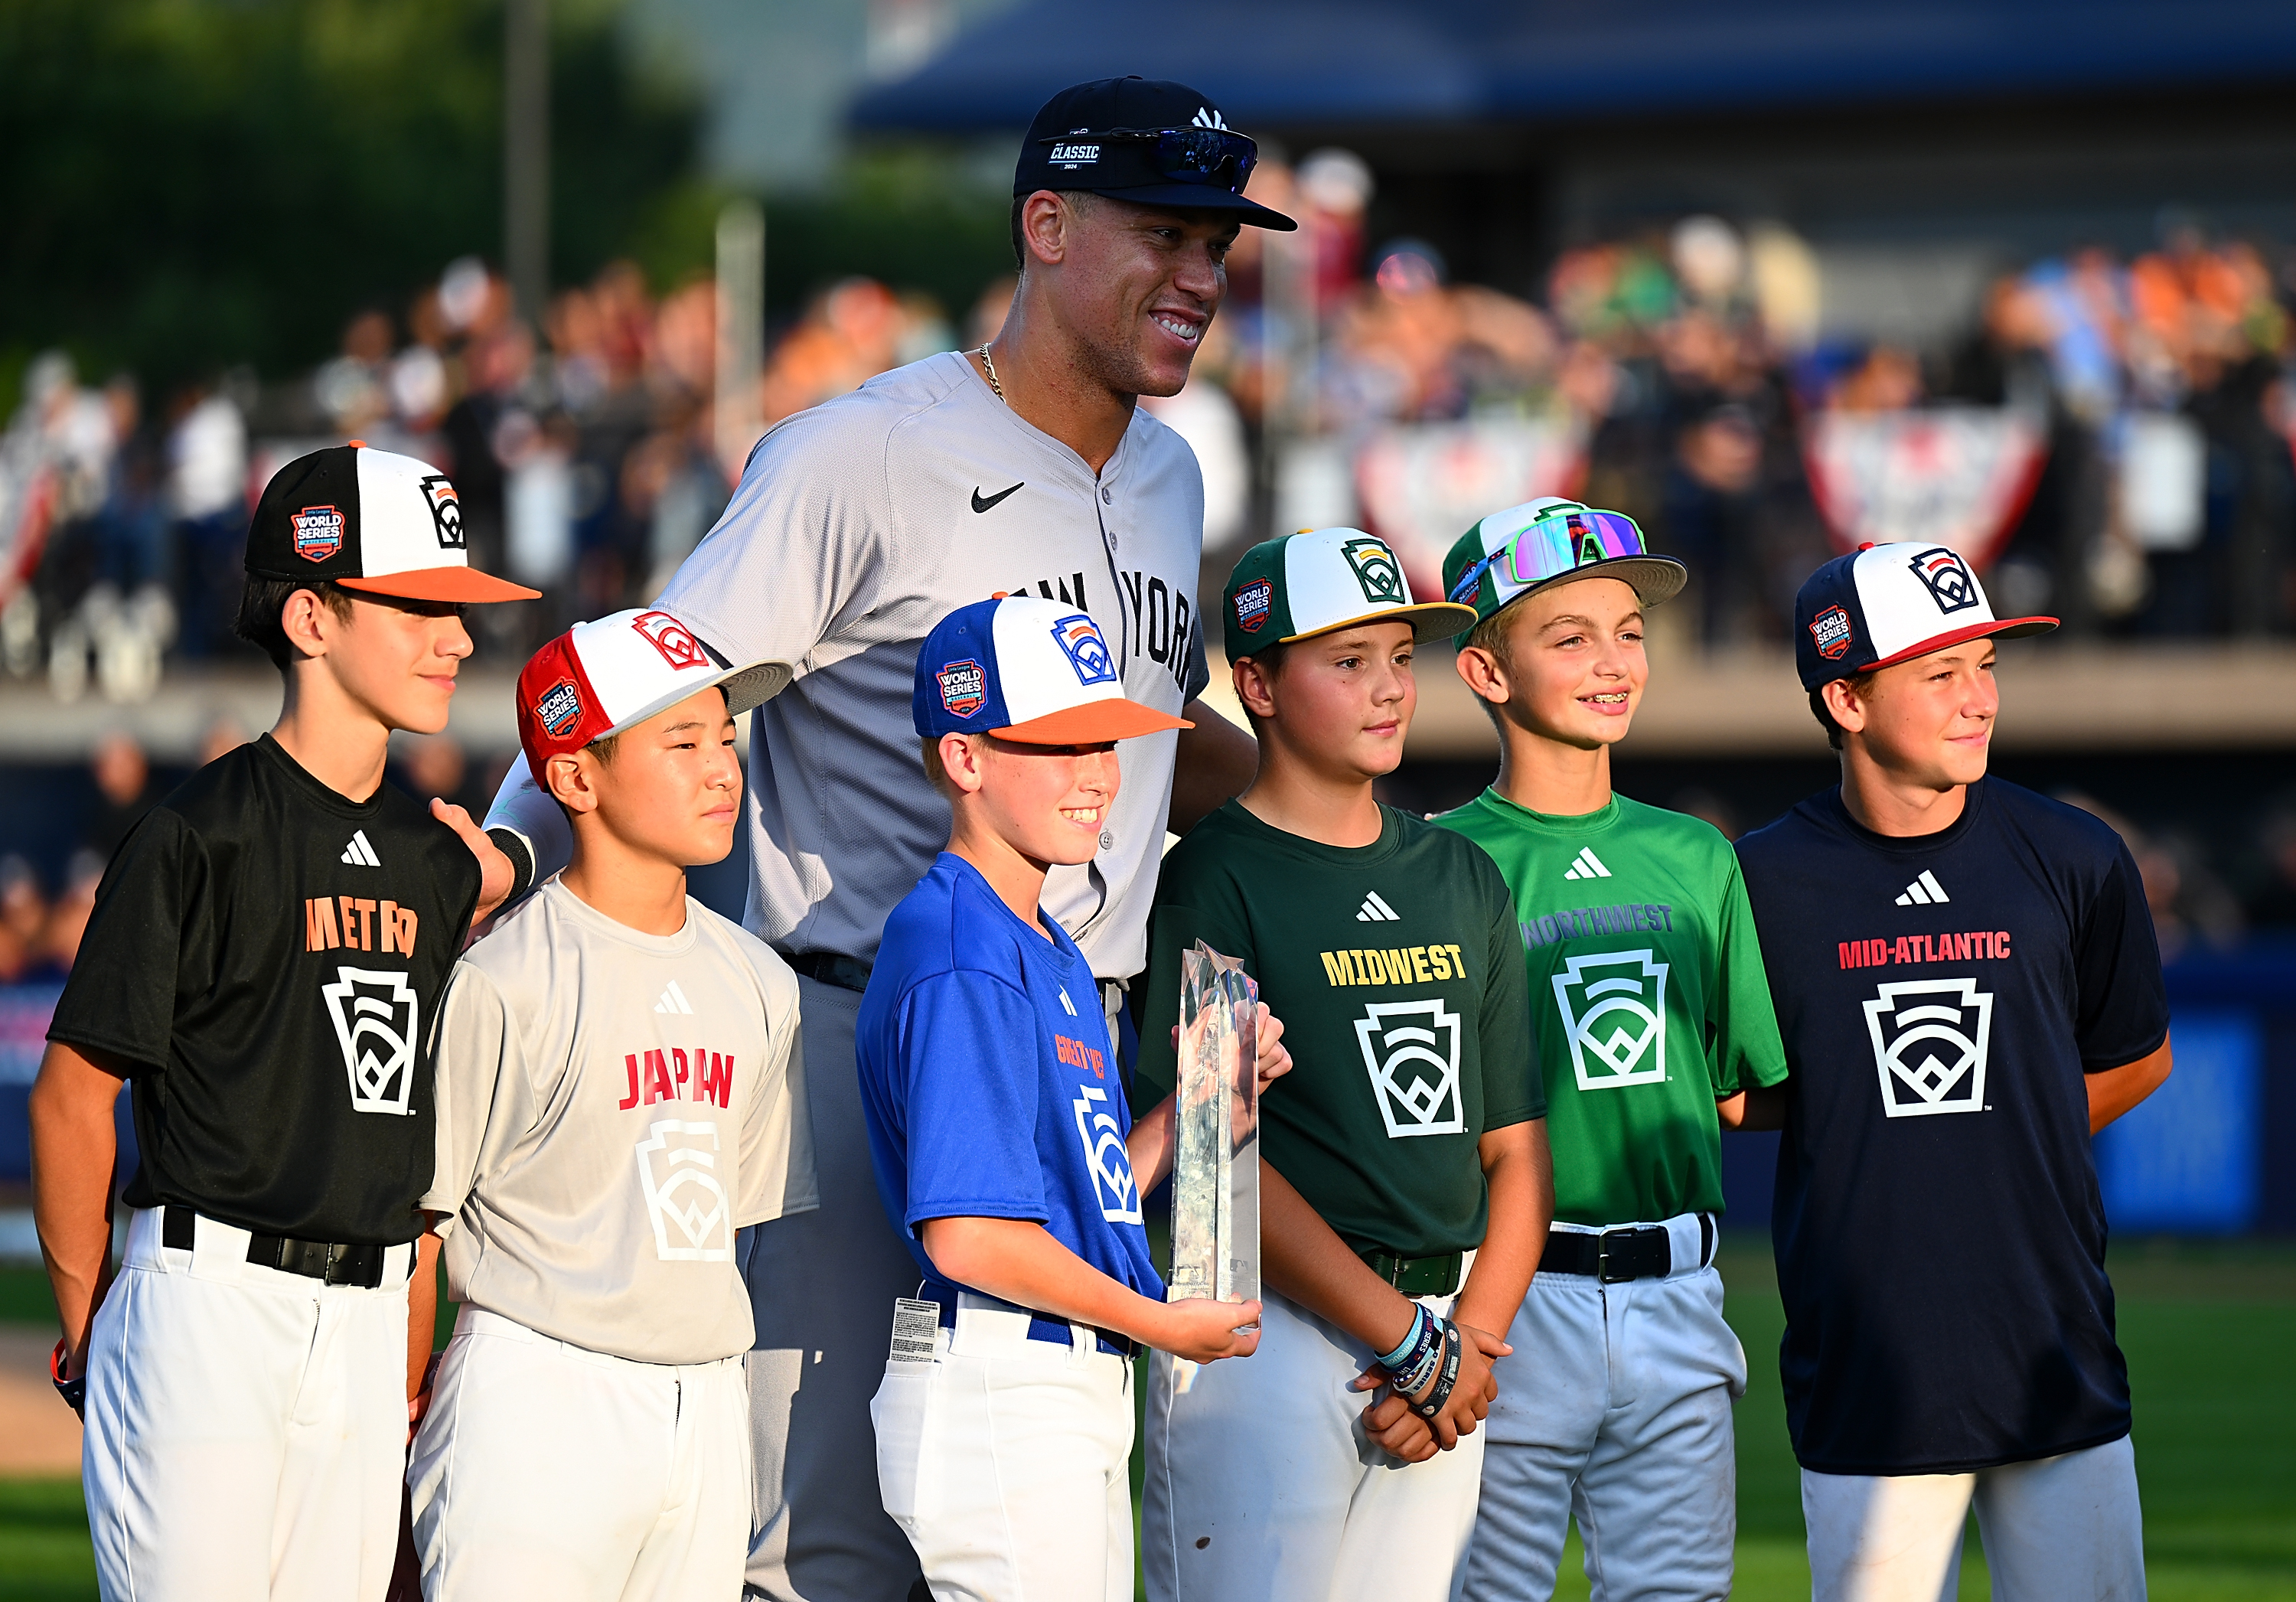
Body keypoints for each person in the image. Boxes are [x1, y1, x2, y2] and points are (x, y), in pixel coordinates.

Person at [481, 74, 1294, 1601]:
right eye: (1167, 234)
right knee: (825, 1542)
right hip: (857, 1034)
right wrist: (508, 874)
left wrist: (1345, 832)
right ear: (1046, 226)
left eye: (1218, 245)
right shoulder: (861, 453)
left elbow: (1139, 748)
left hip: (1076, 1039)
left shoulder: (1176, 472)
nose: (1201, 276)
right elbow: (651, 682)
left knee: (1035, 1522)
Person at [28, 443, 534, 1601]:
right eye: (420, 606)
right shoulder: (198, 831)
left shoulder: (433, 858)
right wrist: (87, 1329)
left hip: (364, 1320)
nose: (457, 637)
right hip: (208, 1299)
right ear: (310, 614)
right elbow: (72, 1094)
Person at [1733, 541, 2174, 1600]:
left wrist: (1996, 1127)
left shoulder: (2075, 854)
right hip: (1868, 1373)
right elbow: (1732, 1087)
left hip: (2054, 1352)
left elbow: (2137, 1054)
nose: (1978, 698)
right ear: (1845, 695)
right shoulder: (1756, 882)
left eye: (1985, 665)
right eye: (1941, 673)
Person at [1136, 528, 1551, 1602]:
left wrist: (1470, 1344)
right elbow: (1216, 1164)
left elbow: (1514, 1148)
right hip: (1258, 1335)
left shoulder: (1460, 871)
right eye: (1348, 661)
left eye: (1400, 658)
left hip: (1442, 1334)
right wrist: (1407, 1338)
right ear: (1259, 686)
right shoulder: (1212, 876)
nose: (1388, 689)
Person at [859, 594, 1287, 1600]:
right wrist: (1158, 1319)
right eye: (1063, 744)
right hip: (1004, 1377)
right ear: (966, 759)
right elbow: (970, 1236)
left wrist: (1186, 1111)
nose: (1103, 775)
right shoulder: (963, 943)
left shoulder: (1041, 939)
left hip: (1048, 1376)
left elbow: (1073, 1194)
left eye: (1110, 740)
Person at [409, 611, 814, 1600]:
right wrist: (397, 1423)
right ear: (575, 777)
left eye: (726, 736)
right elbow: (417, 1232)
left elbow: (731, 1222)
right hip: (534, 1392)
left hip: (705, 1400)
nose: (723, 768)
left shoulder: (761, 980)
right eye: (681, 742)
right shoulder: (500, 977)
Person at [1430, 498, 1789, 1602]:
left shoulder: (1695, 855)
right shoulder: (1432, 863)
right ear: (1488, 673)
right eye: (1570, 634)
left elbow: (1741, 1092)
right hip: (1502, 1299)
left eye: (1628, 630)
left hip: (1678, 1293)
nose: (1614, 660)